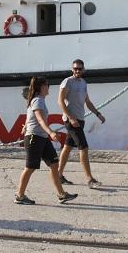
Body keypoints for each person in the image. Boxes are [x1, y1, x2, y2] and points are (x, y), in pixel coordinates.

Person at [15, 76, 78, 205]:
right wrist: (51, 132)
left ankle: (61, 194)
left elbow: (30, 116)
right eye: (47, 85)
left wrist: (25, 126)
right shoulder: (38, 100)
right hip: (34, 138)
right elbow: (39, 119)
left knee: (54, 164)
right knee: (30, 167)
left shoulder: (39, 100)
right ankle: (19, 196)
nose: (48, 87)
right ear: (41, 87)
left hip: (42, 138)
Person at [57, 59, 105, 189]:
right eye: (75, 68)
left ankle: (58, 175)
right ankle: (90, 179)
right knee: (83, 147)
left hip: (80, 120)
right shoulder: (67, 82)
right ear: (72, 69)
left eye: (79, 68)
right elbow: (60, 101)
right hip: (71, 121)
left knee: (67, 147)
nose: (77, 71)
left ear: (83, 69)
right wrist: (71, 118)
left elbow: (87, 102)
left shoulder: (83, 83)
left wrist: (98, 114)